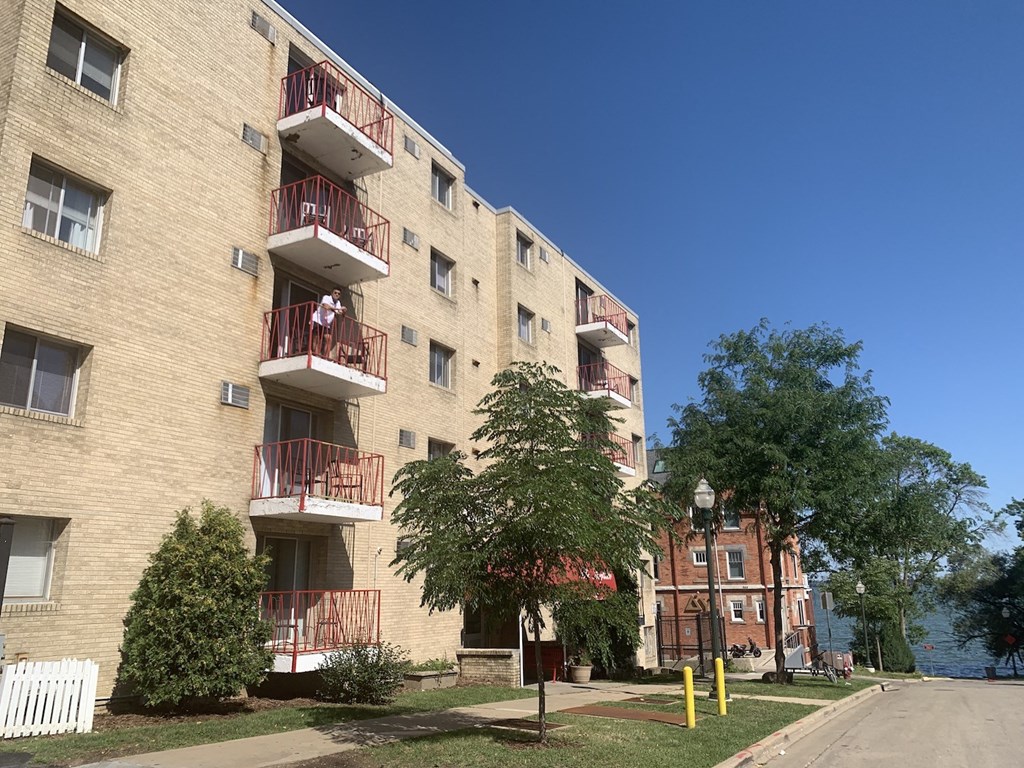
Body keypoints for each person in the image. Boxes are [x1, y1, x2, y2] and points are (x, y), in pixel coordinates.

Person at [311, 288, 346, 357]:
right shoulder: (326, 297)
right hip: (318, 319)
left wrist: (344, 311)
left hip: (326, 323)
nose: (337, 295)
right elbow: (326, 307)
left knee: (329, 339)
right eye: (335, 293)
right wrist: (338, 309)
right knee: (316, 338)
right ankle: (315, 354)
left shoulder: (338, 303)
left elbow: (340, 313)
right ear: (332, 293)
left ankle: (325, 356)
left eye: (338, 294)